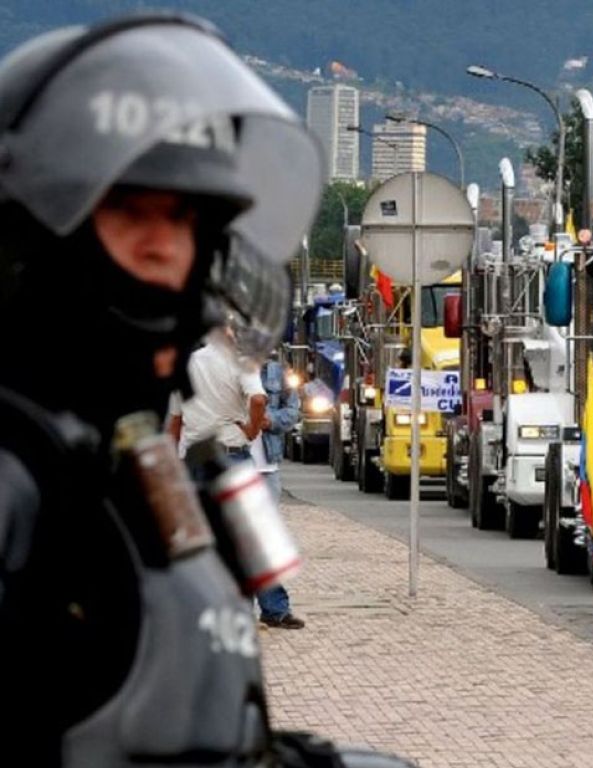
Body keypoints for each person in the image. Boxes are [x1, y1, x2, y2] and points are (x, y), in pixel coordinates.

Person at [0, 13, 353, 766]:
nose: (164, 245)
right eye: (130, 212)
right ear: (40, 225)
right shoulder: (18, 471)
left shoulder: (125, 467)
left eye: (184, 217)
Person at [252, 354, 305, 629]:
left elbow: (294, 410)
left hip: (266, 469)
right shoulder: (220, 368)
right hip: (231, 461)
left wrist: (268, 420)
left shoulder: (276, 372)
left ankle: (273, 608)